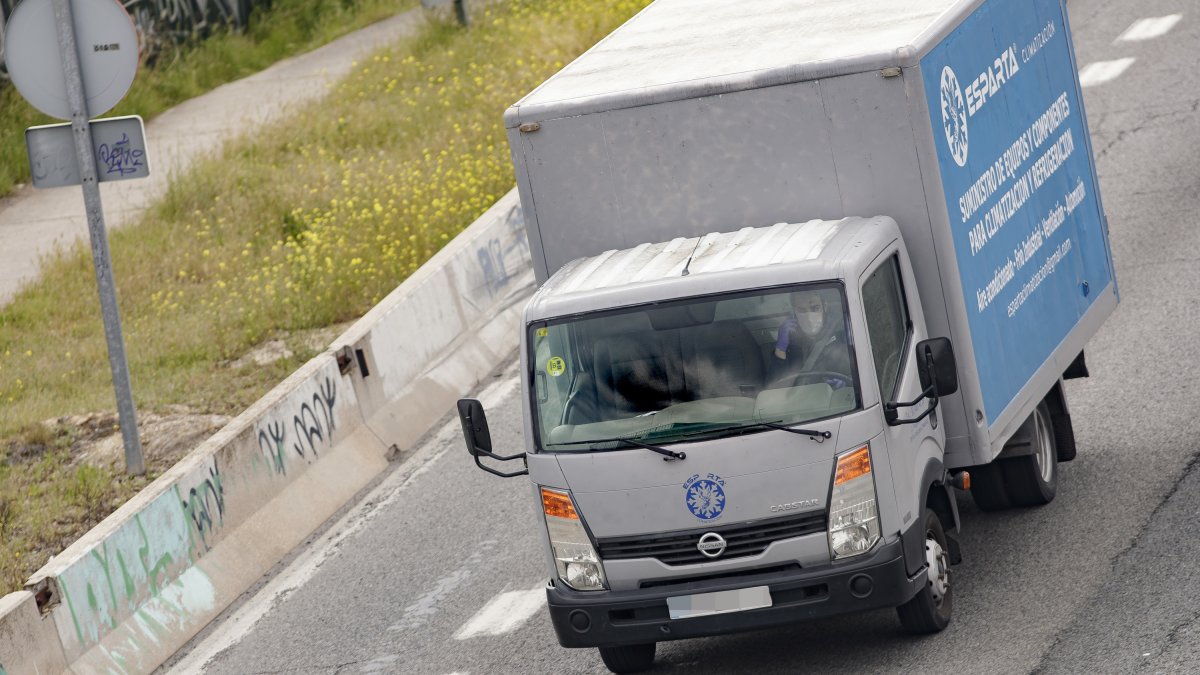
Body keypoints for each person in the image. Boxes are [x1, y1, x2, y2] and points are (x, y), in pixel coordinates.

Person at [769, 289, 853, 387]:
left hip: (837, 398)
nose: (809, 317)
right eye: (801, 310)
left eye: (815, 308)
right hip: (801, 398)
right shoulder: (791, 341)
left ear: (824, 307)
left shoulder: (840, 331)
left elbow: (860, 369)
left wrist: (849, 381)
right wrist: (780, 349)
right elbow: (774, 386)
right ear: (794, 312)